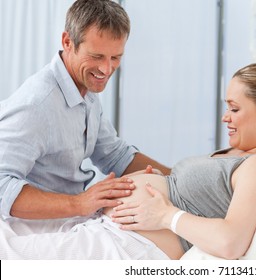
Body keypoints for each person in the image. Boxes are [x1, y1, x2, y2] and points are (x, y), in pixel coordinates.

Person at [0, 63, 256, 260]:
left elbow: (230, 242)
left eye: (234, 108)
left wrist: (165, 215)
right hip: (106, 226)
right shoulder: (238, 154)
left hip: (132, 246)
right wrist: (159, 184)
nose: (225, 117)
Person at [0, 0, 169, 221]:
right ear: (68, 42)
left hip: (72, 218)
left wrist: (176, 180)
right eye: (97, 56)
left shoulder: (85, 90)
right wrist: (80, 203)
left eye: (115, 57)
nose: (107, 69)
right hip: (33, 227)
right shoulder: (37, 105)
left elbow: (115, 155)